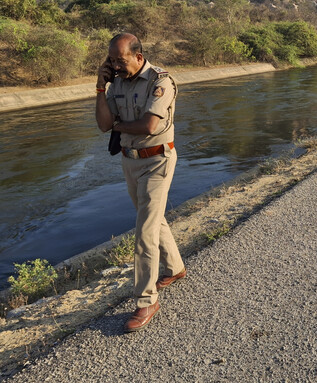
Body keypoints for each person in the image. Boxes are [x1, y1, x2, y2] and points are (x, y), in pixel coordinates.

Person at [95, 32, 186, 333]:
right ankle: (175, 268)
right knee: (152, 218)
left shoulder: (161, 81)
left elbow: (149, 125)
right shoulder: (116, 83)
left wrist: (118, 126)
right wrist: (99, 87)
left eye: (120, 61)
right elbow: (103, 123)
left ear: (138, 55)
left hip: (157, 159)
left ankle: (146, 300)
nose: (116, 66)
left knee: (144, 230)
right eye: (111, 61)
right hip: (130, 160)